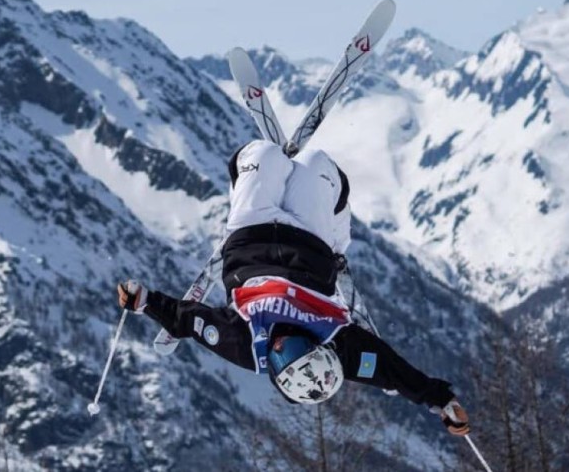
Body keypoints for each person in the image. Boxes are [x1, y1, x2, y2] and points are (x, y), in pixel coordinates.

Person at [116, 140, 470, 436]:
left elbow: (188, 320)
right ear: (318, 348)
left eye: (281, 358)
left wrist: (143, 301)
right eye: (298, 348)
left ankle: (264, 173)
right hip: (309, 239)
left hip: (249, 233)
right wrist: (441, 401)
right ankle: (332, 228)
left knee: (259, 155)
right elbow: (393, 372)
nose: (282, 345)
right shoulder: (340, 347)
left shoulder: (245, 346)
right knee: (320, 165)